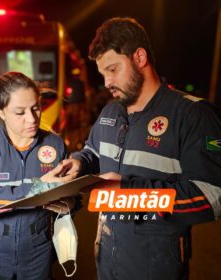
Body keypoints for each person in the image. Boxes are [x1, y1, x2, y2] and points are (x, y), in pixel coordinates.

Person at [45, 17, 221, 280]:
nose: (106, 82)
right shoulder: (109, 112)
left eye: (113, 69)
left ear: (139, 58)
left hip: (156, 266)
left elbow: (212, 196)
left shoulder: (193, 115)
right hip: (107, 260)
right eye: (103, 73)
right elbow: (93, 152)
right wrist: (80, 163)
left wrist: (128, 193)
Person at [0, 71, 76, 280]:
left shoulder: (55, 145)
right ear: (1, 112)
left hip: (37, 251)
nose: (32, 119)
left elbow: (72, 198)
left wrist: (70, 203)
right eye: (20, 112)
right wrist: (37, 189)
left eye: (35, 108)